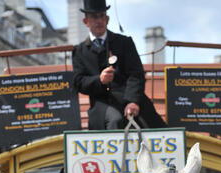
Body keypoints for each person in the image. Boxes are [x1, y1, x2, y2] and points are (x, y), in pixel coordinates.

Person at [72, 0, 167, 130]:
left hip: (129, 99)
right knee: (115, 120)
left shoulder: (124, 42)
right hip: (101, 104)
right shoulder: (79, 51)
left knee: (153, 126)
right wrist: (99, 80)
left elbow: (136, 74)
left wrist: (132, 101)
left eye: (102, 16)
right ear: (86, 22)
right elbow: (79, 82)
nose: (99, 21)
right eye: (94, 17)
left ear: (107, 19)